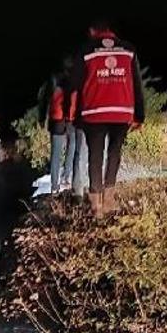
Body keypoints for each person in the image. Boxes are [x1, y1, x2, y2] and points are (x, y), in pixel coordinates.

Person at [70, 19, 145, 218]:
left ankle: (96, 206)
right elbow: (136, 83)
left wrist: (75, 116)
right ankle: (110, 200)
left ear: (92, 30)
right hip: (122, 111)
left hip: (93, 112)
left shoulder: (86, 50)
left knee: (95, 156)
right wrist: (139, 115)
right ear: (111, 30)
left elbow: (75, 84)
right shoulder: (128, 49)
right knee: (114, 153)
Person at [38, 56, 76, 195]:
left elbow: (44, 99)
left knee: (56, 153)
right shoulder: (76, 78)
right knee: (72, 148)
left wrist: (42, 118)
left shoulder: (53, 79)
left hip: (57, 119)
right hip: (72, 119)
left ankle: (55, 186)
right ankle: (66, 177)